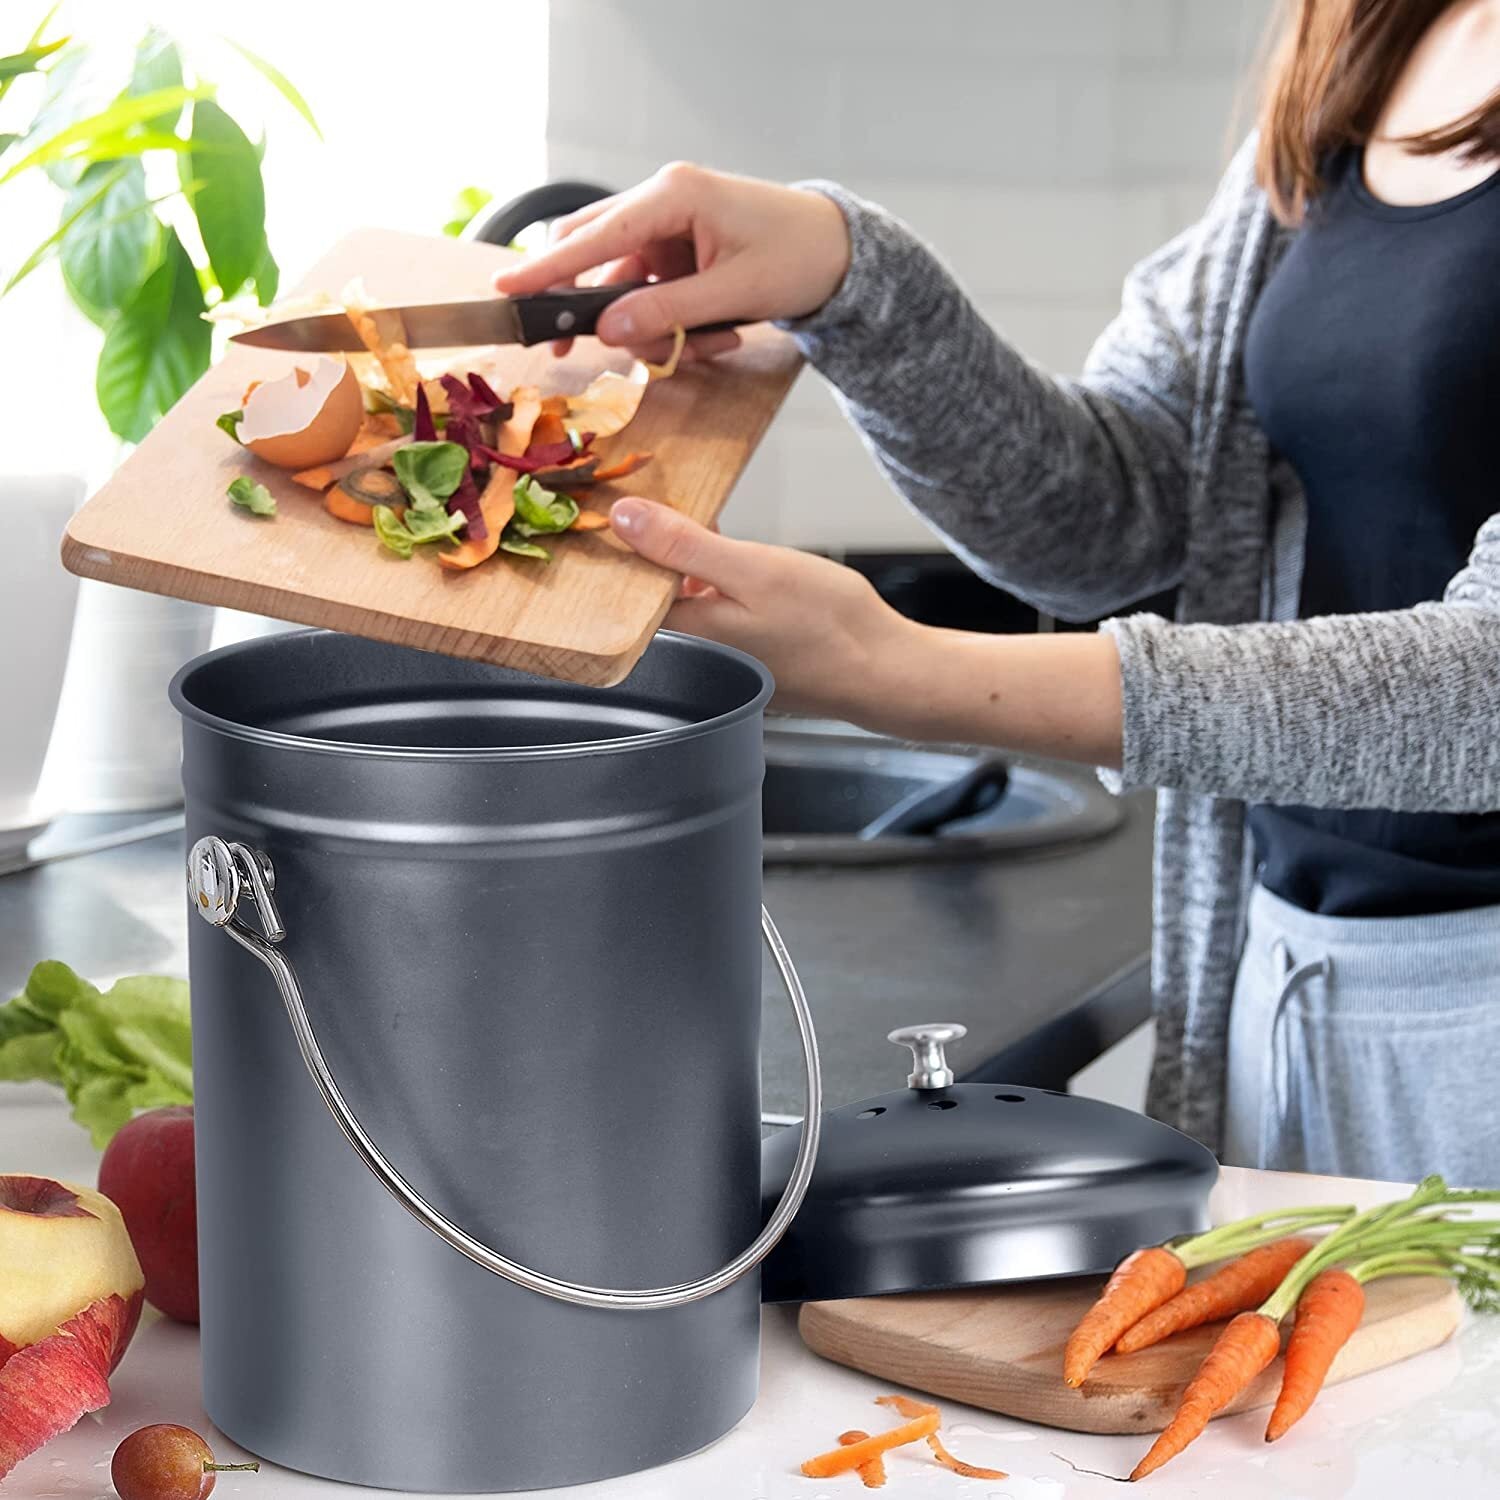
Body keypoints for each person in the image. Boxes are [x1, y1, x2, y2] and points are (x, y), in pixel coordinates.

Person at [496, 0, 1500, 1185]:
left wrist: (903, 673)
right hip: (1285, 970)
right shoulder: (1370, 41)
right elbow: (1114, 511)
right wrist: (848, 277)